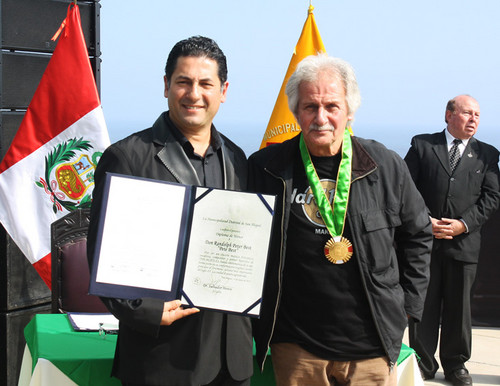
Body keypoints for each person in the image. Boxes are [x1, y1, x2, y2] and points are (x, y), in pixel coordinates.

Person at [248, 54, 433, 386]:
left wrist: (408, 306)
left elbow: (418, 234)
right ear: (295, 111)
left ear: (350, 110)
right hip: (296, 348)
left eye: (331, 106)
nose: (321, 117)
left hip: (372, 348)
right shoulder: (266, 168)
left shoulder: (386, 166)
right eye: (310, 107)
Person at [87, 36, 253, 386]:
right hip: (162, 358)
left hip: (231, 359)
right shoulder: (127, 157)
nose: (194, 93)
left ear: (223, 90)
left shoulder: (238, 159)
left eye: (206, 83)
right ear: (166, 86)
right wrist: (144, 312)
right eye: (184, 82)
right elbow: (101, 255)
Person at [405, 95, 500, 386]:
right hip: (426, 242)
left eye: (478, 115)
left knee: (459, 309)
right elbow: (405, 188)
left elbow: (492, 196)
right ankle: (422, 362)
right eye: (468, 113)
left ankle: (456, 365)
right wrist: (425, 221)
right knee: (424, 305)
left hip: (464, 244)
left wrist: (463, 224)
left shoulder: (487, 154)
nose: (474, 119)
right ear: (449, 115)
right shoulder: (423, 145)